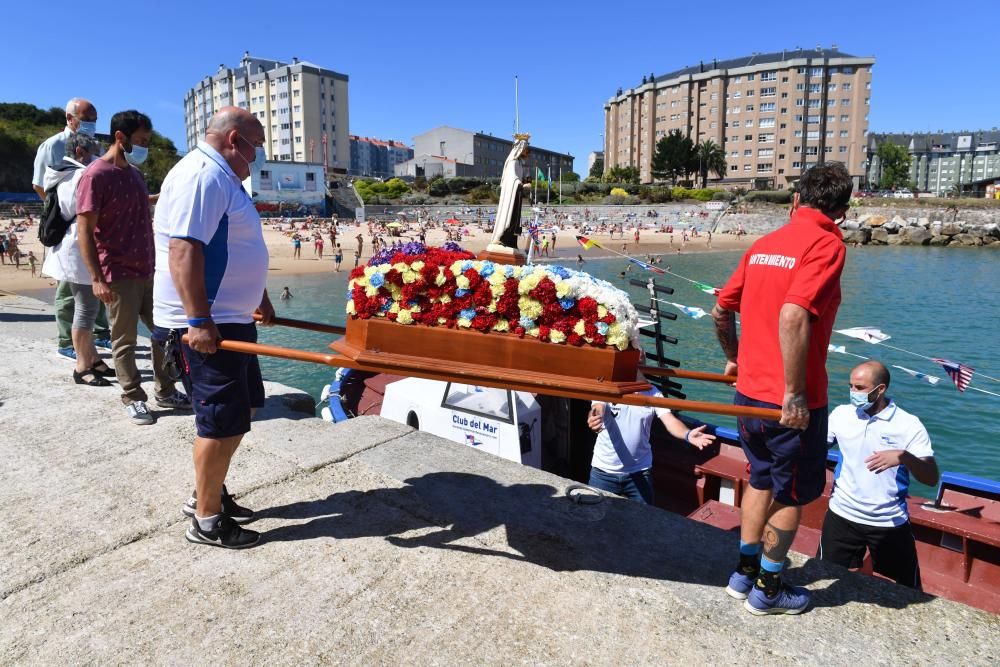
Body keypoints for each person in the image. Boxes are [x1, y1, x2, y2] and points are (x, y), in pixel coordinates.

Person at [711, 161, 852, 615]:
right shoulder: (827, 243)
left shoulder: (764, 244)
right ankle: (768, 590)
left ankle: (743, 574)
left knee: (759, 478)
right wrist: (793, 394)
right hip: (792, 401)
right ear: (842, 210)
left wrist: (733, 357)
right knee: (793, 492)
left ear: (795, 200)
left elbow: (720, 309)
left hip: (748, 395)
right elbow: (793, 314)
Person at [152, 106, 273, 549]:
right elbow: (184, 250)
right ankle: (206, 520)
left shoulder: (224, 178)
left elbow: (236, 245)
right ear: (235, 140)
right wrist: (198, 321)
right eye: (256, 146)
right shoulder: (203, 175)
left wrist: (257, 295)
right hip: (209, 326)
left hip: (231, 318)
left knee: (242, 413)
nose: (257, 156)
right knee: (219, 423)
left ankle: (209, 491)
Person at [77, 110, 188, 425]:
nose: (144, 147)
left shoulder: (136, 174)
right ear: (119, 137)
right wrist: (97, 278)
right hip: (118, 273)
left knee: (164, 334)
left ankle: (165, 390)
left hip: (150, 270)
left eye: (147, 141)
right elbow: (85, 230)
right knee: (123, 340)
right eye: (140, 141)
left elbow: (137, 209)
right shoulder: (95, 175)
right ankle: (133, 397)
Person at [819, 361, 938, 589]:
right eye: (851, 386)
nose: (853, 392)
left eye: (860, 388)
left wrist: (904, 457)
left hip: (889, 522)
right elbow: (815, 448)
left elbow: (931, 478)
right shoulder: (841, 414)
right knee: (823, 579)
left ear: (880, 389)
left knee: (907, 592)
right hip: (841, 516)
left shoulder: (909, 425)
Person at [32, 97, 111, 361]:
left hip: (92, 226)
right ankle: (66, 340)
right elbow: (40, 185)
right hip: (69, 226)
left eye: (94, 119)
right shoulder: (52, 145)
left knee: (93, 283)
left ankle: (100, 334)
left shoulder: (95, 147)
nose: (91, 124)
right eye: (86, 119)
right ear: (70, 118)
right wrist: (60, 212)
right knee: (69, 287)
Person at [587, 384, 715, 504]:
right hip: (603, 472)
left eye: (641, 358)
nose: (640, 359)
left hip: (640, 473)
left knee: (644, 521)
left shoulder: (652, 392)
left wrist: (687, 434)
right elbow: (598, 407)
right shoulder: (607, 387)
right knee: (596, 518)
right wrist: (595, 418)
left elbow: (670, 420)